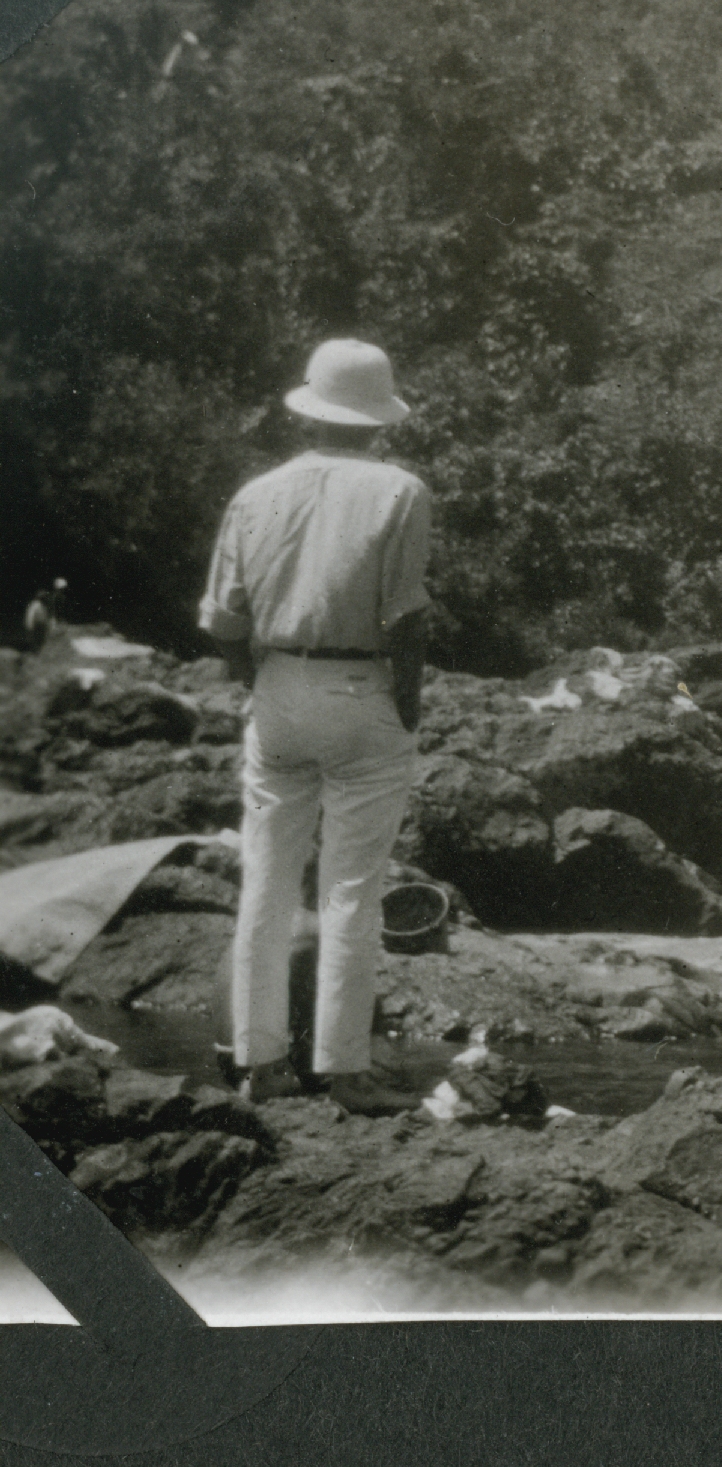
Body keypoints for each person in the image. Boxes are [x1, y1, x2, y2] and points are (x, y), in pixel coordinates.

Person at [199, 339, 434, 1113]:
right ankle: (344, 1069)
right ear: (378, 419)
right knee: (351, 891)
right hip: (360, 683)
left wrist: (255, 677)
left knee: (266, 882)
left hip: (278, 685)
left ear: (311, 410)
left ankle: (257, 1064)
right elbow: (405, 618)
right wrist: (406, 701)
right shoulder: (401, 492)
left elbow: (225, 620)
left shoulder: (256, 492)